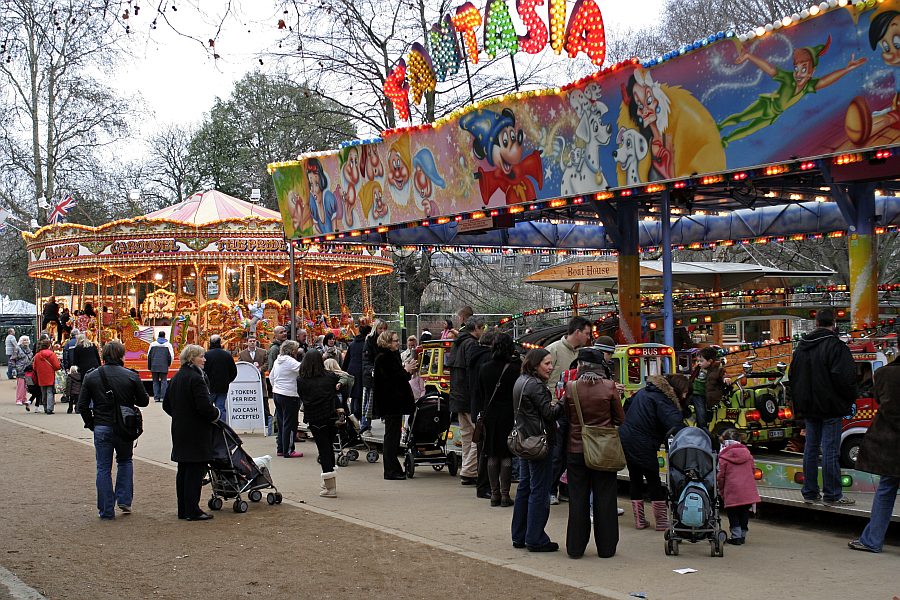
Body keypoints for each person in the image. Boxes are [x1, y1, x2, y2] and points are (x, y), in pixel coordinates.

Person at [790, 308, 857, 506]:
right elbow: (844, 378)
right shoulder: (836, 347)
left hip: (809, 406)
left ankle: (810, 491)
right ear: (833, 323)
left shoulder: (801, 347)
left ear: (816, 323)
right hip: (830, 406)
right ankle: (833, 493)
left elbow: (793, 377)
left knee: (811, 448)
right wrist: (848, 398)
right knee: (829, 449)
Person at [77, 340, 149, 519]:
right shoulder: (130, 376)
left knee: (103, 468)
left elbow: (82, 405)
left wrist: (91, 423)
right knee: (125, 461)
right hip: (125, 425)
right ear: (121, 355)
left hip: (102, 424)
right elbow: (144, 401)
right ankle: (124, 499)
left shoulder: (92, 376)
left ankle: (106, 510)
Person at [563, 347, 624, 559]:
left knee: (577, 498)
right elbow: (620, 419)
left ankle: (575, 547)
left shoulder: (571, 387)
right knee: (605, 498)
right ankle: (606, 549)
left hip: (576, 449)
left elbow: (566, 417)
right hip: (603, 449)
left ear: (581, 365)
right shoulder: (609, 387)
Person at [511, 348, 564, 552]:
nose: (550, 368)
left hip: (524, 439)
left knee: (525, 486)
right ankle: (535, 538)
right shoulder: (536, 385)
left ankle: (520, 535)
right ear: (535, 364)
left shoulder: (521, 381)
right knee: (539, 490)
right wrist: (561, 401)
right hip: (538, 442)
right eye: (547, 364)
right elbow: (549, 414)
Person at [619, 373, 688, 531]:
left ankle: (639, 521)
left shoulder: (645, 391)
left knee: (635, 478)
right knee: (653, 480)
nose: (685, 394)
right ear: (676, 389)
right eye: (684, 391)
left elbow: (627, 405)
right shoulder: (662, 399)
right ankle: (662, 522)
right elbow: (674, 423)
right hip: (644, 441)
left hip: (627, 437)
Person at [162, 344, 220, 521]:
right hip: (196, 431)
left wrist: (180, 414)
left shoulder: (178, 376)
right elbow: (204, 406)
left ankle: (184, 508)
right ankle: (193, 509)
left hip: (180, 429)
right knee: (195, 470)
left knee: (184, 470)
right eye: (201, 356)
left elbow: (166, 404)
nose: (204, 359)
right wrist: (216, 414)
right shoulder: (196, 378)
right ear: (192, 358)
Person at [848, 355, 900, 553]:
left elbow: (878, 400)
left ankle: (872, 540)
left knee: (886, 491)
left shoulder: (884, 373)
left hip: (891, 442)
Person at [546, 316, 593, 505]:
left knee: (572, 453)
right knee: (556, 453)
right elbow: (546, 380)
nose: (589, 337)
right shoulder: (553, 350)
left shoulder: (583, 353)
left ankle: (565, 489)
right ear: (577, 332)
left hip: (576, 410)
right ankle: (550, 489)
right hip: (557, 409)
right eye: (587, 333)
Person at [477, 332, 520, 507]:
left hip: (490, 414)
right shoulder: (516, 368)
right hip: (509, 414)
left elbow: (481, 392)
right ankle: (505, 494)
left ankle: (494, 494)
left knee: (491, 453)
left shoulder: (485, 368)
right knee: (507, 454)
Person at [297, 350, 343, 497]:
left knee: (323, 450)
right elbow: (344, 381)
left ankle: (330, 486)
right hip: (330, 416)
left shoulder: (301, 380)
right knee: (328, 447)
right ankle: (329, 481)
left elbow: (302, 396)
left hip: (315, 418)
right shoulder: (330, 377)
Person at [373, 330, 416, 480]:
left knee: (393, 436)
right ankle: (390, 470)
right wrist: (406, 371)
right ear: (387, 342)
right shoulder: (384, 358)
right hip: (390, 403)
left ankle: (393, 468)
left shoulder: (389, 357)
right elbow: (393, 381)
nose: (398, 343)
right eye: (395, 341)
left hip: (392, 403)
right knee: (391, 437)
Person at [448, 316, 486, 486]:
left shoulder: (458, 343)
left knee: (467, 436)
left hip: (457, 395)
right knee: (478, 435)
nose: (483, 331)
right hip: (468, 397)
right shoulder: (471, 344)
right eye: (482, 328)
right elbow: (473, 371)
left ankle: (467, 468)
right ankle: (469, 471)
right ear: (476, 328)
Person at [716, 429, 761, 545]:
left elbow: (721, 476)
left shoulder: (723, 457)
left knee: (733, 513)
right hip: (747, 490)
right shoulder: (748, 455)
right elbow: (752, 471)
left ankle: (736, 536)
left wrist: (720, 489)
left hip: (732, 490)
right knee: (744, 512)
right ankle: (742, 535)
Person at [468, 330, 497, 500]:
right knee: (486, 449)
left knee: (481, 447)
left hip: (476, 407)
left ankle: (483, 483)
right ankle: (485, 484)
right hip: (486, 409)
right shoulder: (488, 360)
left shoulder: (474, 356)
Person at [269, 340, 303, 458]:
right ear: (292, 350)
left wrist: (276, 387)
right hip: (289, 394)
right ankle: (288, 450)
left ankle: (281, 448)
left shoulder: (278, 361)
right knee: (290, 423)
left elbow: (272, 376)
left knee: (281, 420)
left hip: (277, 393)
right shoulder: (291, 361)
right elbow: (303, 369)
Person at [688, 346, 730, 429]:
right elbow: (692, 378)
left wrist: (726, 378)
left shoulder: (717, 370)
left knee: (702, 414)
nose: (699, 363)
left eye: (701, 361)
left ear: (710, 361)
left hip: (704, 395)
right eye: (697, 361)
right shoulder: (698, 369)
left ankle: (703, 428)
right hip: (695, 393)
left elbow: (723, 374)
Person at [361, 319, 387, 431]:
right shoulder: (370, 341)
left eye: (384, 328)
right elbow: (366, 360)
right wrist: (372, 370)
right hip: (371, 376)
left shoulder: (387, 341)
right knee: (368, 404)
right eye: (380, 328)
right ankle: (365, 426)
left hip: (383, 376)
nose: (382, 331)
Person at [204, 335, 237, 422]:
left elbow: (203, 371)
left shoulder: (206, 355)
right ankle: (222, 427)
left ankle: (208, 426)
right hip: (223, 386)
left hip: (209, 387)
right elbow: (234, 371)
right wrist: (227, 381)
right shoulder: (227, 355)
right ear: (220, 342)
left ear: (210, 343)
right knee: (221, 407)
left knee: (207, 407)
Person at [267, 326, 288, 453]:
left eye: (285, 331)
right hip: (280, 386)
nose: (284, 334)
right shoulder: (274, 349)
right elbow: (271, 368)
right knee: (280, 414)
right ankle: (279, 437)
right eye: (281, 332)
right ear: (275, 335)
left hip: (282, 385)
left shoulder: (283, 347)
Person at [342, 323, 370, 419]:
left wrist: (344, 370)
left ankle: (353, 414)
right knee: (361, 395)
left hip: (352, 370)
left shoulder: (353, 344)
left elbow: (347, 359)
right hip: (362, 371)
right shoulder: (366, 344)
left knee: (354, 395)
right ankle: (358, 416)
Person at [32, 338, 61, 414]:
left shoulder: (37, 355)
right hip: (50, 375)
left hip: (41, 375)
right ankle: (49, 408)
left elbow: (34, 367)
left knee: (43, 392)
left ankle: (45, 407)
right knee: (50, 392)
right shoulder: (52, 354)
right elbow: (57, 366)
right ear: (49, 346)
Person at [148, 331, 175, 403]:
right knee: (164, 381)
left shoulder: (153, 344)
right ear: (164, 336)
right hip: (164, 365)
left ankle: (156, 397)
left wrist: (149, 366)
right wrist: (169, 364)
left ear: (158, 336)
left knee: (155, 381)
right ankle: (163, 397)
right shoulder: (168, 345)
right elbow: (171, 356)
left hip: (154, 365)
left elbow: (149, 356)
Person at [10, 335, 33, 406]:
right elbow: (12, 359)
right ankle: (19, 399)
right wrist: (14, 368)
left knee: (26, 385)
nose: (25, 341)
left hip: (28, 370)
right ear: (21, 341)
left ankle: (24, 399)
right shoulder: (17, 348)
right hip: (20, 369)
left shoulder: (29, 349)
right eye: (24, 340)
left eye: (26, 340)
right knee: (20, 385)